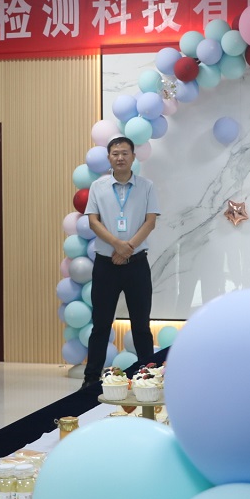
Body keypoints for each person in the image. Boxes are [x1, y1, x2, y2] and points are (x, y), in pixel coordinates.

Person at [81, 137, 160, 388]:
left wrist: (128, 249)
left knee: (141, 325)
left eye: (125, 153)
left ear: (133, 157)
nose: (120, 158)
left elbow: (150, 221)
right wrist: (117, 244)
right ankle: (91, 378)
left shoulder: (146, 186)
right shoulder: (98, 186)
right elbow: (93, 221)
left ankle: (148, 377)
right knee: (101, 325)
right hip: (106, 265)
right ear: (109, 158)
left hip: (137, 264)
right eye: (115, 154)